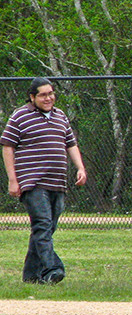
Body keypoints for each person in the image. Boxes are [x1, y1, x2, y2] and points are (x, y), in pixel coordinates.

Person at [1, 77, 87, 284]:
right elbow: (7, 147)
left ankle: (31, 276)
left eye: (51, 94)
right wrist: (13, 180)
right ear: (32, 97)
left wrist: (80, 167)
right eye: (43, 95)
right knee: (42, 225)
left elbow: (71, 143)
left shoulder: (60, 116)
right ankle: (53, 269)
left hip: (57, 182)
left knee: (45, 230)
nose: (48, 98)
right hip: (32, 182)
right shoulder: (20, 116)